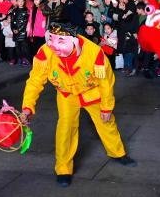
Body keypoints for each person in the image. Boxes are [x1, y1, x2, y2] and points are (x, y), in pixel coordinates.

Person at [21, 23, 135, 187]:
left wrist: (106, 106)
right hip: (66, 94)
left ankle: (118, 153)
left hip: (91, 92)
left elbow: (105, 82)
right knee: (65, 128)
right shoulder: (45, 53)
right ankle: (63, 168)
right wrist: (27, 107)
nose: (54, 47)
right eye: (51, 40)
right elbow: (35, 81)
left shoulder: (94, 53)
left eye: (60, 41)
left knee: (106, 122)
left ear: (73, 41)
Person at [10, 0, 31, 66]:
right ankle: (20, 59)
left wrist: (19, 30)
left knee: (24, 46)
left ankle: (25, 59)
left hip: (23, 32)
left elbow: (25, 22)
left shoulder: (26, 10)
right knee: (17, 46)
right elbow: (12, 21)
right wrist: (13, 29)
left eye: (22, 1)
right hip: (15, 31)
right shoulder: (14, 10)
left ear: (24, 2)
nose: (21, 3)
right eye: (19, 1)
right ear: (16, 2)